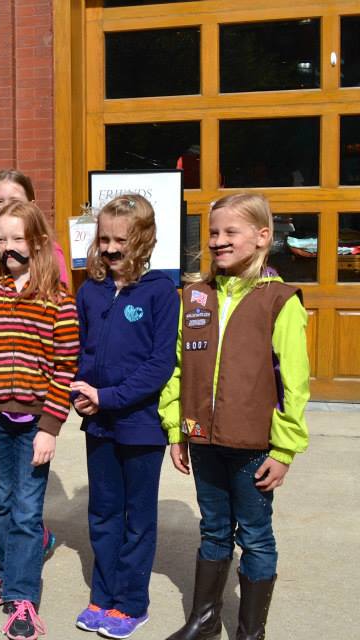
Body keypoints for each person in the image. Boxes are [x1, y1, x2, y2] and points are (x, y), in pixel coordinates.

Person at [159, 193, 309, 640]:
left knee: (256, 537)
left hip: (254, 447)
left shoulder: (281, 301)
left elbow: (293, 385)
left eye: (230, 232)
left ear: (262, 237)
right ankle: (204, 621)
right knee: (214, 530)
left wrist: (284, 449)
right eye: (213, 232)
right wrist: (176, 429)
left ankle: (250, 631)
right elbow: (178, 368)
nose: (219, 240)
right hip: (203, 440)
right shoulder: (196, 296)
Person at [0, 201, 79, 640]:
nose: (9, 247)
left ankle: (22, 597)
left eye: (18, 239)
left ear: (39, 242)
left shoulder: (57, 299)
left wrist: (50, 427)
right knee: (2, 502)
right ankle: (6, 570)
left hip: (33, 425)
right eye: (2, 239)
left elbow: (65, 366)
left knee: (27, 512)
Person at [69, 195, 179, 638]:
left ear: (145, 241)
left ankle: (131, 602)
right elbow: (79, 350)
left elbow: (159, 364)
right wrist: (79, 393)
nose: (111, 249)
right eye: (105, 239)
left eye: (121, 241)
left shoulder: (160, 292)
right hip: (98, 423)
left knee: (137, 518)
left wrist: (109, 397)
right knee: (103, 512)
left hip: (140, 426)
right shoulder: (90, 291)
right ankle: (103, 595)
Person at [0, 170, 69, 292]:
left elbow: (59, 295)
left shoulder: (49, 250)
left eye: (15, 202)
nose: (6, 207)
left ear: (31, 205)